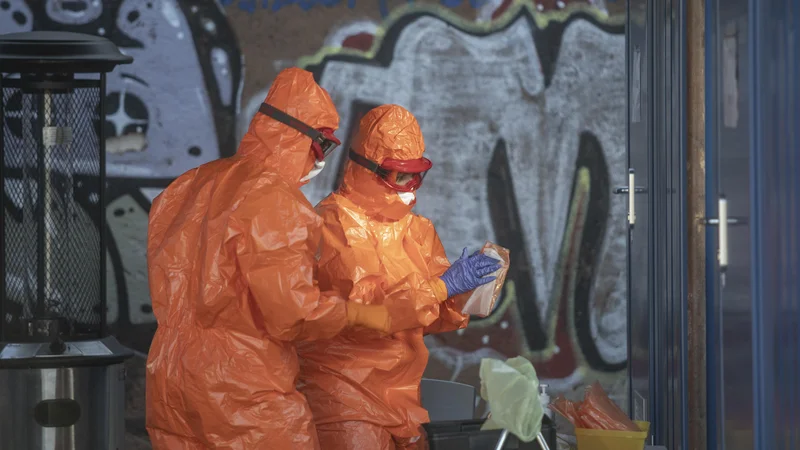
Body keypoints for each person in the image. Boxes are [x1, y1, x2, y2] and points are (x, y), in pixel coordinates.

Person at [145, 68, 391, 450]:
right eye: (323, 146)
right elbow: (293, 313)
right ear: (305, 139)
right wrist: (355, 312)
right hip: (242, 392)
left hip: (170, 379)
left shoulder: (192, 183)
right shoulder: (277, 202)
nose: (320, 160)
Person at [297, 104, 502, 450]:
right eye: (400, 176)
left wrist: (464, 296)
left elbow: (427, 316)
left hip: (403, 397)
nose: (410, 187)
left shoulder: (416, 230)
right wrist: (441, 286)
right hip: (344, 394)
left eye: (417, 175)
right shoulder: (336, 224)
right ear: (366, 168)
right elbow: (368, 310)